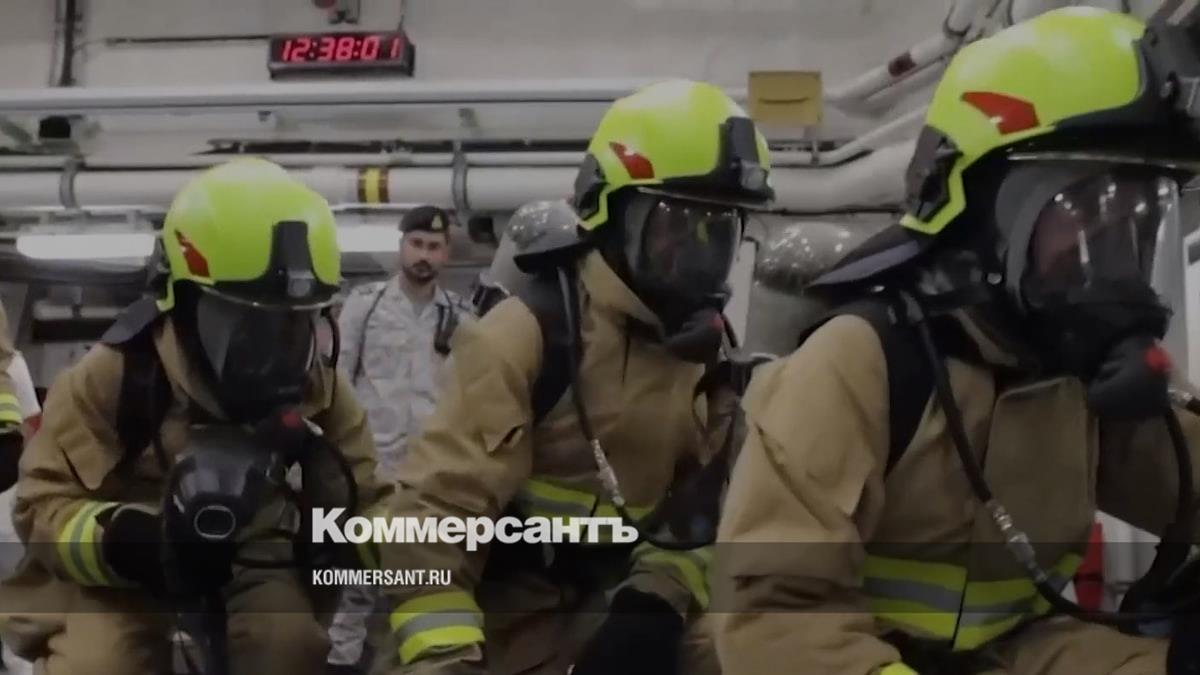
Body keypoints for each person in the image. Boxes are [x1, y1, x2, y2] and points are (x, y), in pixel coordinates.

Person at [712, 8, 1200, 675]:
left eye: (1139, 218)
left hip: (1026, 650)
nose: (1116, 250)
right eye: (1087, 210)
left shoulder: (1082, 370)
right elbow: (772, 621)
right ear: (986, 211)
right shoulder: (858, 363)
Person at [378, 78, 774, 675]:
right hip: (500, 612)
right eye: (675, 225)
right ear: (610, 215)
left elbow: (704, 516)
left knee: (746, 649)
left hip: (615, 604)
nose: (697, 257)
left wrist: (654, 605)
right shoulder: (528, 333)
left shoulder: (708, 359)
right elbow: (433, 515)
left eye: (719, 232)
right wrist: (447, 655)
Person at [0, 157, 392, 675]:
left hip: (255, 551)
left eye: (296, 322)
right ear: (182, 303)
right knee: (101, 664)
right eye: (249, 321)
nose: (276, 349)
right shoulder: (118, 372)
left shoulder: (317, 385)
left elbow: (373, 503)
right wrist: (124, 543)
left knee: (288, 649)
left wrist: (396, 550)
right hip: (131, 565)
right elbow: (39, 504)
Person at [326, 206, 468, 674]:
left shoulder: (460, 317)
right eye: (417, 244)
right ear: (402, 245)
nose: (424, 255)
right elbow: (337, 381)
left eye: (434, 247)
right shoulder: (365, 306)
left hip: (428, 477)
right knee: (354, 580)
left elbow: (466, 396)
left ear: (446, 254)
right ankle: (338, 667)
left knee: (417, 580)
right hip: (370, 469)